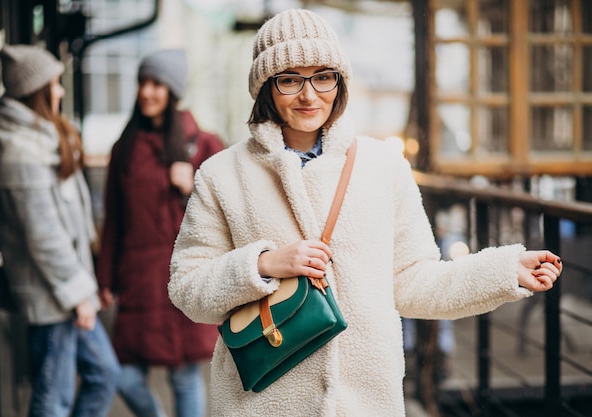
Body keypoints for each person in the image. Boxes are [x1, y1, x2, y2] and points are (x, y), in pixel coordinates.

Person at [166, 8, 563, 417]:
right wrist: (264, 264)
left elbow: (415, 282)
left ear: (340, 82)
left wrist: (502, 271)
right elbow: (187, 289)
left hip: (365, 405)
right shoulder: (222, 175)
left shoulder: (383, 165)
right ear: (266, 86)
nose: (309, 94)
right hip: (259, 405)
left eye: (323, 76)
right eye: (290, 79)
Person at [0, 44, 121, 417]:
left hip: (71, 290)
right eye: (54, 84)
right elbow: (43, 235)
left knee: (103, 374)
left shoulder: (42, 137)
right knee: (53, 399)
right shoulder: (20, 153)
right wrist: (79, 296)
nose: (60, 91)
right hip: (54, 300)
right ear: (37, 92)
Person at [96, 48, 224, 417]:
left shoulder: (204, 144)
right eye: (142, 82)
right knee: (121, 374)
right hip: (138, 280)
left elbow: (231, 212)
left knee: (184, 378)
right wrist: (105, 278)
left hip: (185, 276)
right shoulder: (125, 148)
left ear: (172, 91)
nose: (146, 92)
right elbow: (114, 220)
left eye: (156, 84)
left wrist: (192, 186)